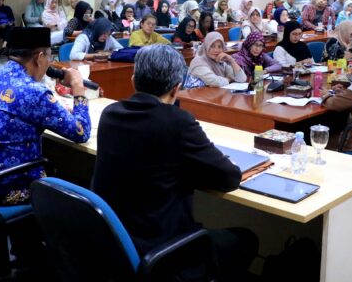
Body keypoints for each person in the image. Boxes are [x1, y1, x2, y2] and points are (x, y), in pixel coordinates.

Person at [92, 44, 258, 277]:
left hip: (115, 243)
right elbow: (230, 178)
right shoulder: (177, 122)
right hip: (164, 251)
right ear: (176, 88)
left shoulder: (110, 114)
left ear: (133, 81)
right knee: (246, 239)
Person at [0, 27, 90, 204]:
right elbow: (81, 132)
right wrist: (78, 89)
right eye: (49, 57)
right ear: (39, 58)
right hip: (5, 187)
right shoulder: (34, 92)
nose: (49, 63)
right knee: (77, 188)